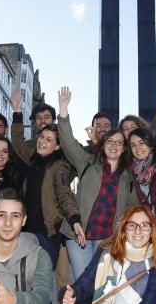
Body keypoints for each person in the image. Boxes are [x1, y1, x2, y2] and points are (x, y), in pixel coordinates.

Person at [56, 86, 138, 280]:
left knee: (101, 285)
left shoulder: (128, 176)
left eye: (119, 142)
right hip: (79, 236)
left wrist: (125, 220)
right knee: (82, 282)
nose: (114, 145)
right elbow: (68, 142)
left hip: (108, 238)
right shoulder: (87, 162)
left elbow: (134, 205)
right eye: (110, 142)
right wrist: (63, 110)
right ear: (103, 145)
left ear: (124, 148)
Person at [15, 123, 83, 268]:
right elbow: (18, 145)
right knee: (23, 279)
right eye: (41, 137)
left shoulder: (59, 166)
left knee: (42, 280)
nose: (42, 141)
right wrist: (17, 114)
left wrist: (74, 219)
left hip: (47, 234)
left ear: (57, 146)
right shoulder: (33, 161)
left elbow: (64, 193)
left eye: (49, 139)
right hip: (26, 232)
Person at [10, 90, 56, 159]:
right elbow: (17, 147)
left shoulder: (64, 144)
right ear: (34, 122)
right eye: (38, 118)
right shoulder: (28, 146)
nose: (42, 121)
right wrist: (17, 112)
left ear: (54, 120)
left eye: (46, 117)